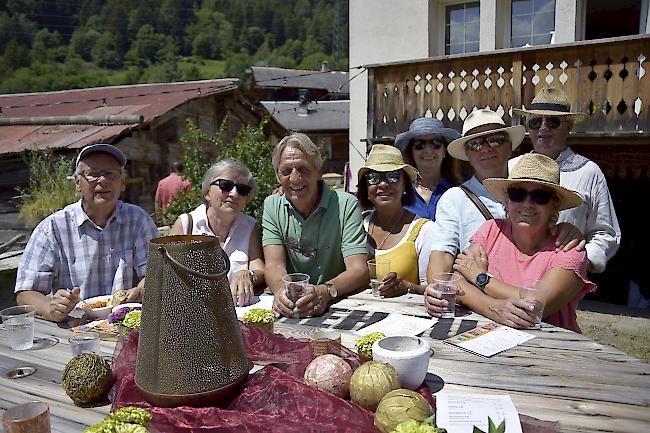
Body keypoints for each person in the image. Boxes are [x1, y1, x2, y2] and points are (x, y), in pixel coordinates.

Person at [424, 108, 583, 318]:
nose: (485, 148)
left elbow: (538, 303)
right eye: (475, 143)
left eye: (495, 140)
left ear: (510, 145)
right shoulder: (460, 204)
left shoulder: (528, 175)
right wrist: (439, 287)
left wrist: (480, 277)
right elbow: (445, 260)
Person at [452, 153, 596, 332]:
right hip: (488, 340)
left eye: (540, 196)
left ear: (554, 204)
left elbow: (536, 306)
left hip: (551, 351)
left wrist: (480, 278)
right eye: (517, 194)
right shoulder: (491, 230)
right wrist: (494, 308)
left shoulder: (570, 250)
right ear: (506, 200)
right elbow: (457, 281)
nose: (527, 204)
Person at [15, 144, 159, 322]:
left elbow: (156, 274)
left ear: (122, 183)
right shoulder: (52, 228)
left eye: (110, 173)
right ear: (77, 183)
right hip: (72, 332)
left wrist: (140, 290)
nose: (102, 180)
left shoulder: (138, 220)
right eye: (93, 174)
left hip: (126, 326)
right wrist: (51, 307)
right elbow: (25, 293)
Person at [511, 87, 621, 273]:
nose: (543, 128)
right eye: (536, 122)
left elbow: (605, 233)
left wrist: (579, 259)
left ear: (569, 127)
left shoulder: (589, 172)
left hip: (564, 281)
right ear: (528, 127)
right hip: (513, 272)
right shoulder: (512, 167)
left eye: (552, 122)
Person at [262, 133, 368, 318]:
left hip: (339, 305)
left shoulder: (346, 205)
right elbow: (273, 265)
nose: (295, 178)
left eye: (303, 169)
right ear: (278, 176)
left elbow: (358, 270)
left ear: (319, 171)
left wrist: (325, 291)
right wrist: (281, 293)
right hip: (295, 308)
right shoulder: (272, 205)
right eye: (286, 171)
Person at [168, 158, 264, 307]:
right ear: (207, 193)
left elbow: (260, 269)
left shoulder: (250, 226)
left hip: (238, 315)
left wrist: (247, 274)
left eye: (242, 189)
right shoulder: (186, 225)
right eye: (226, 185)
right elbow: (165, 274)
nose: (234, 193)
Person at [357, 144, 434, 297]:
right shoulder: (357, 225)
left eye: (393, 176)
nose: (383, 184)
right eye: (374, 178)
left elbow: (433, 287)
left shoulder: (425, 230)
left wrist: (407, 287)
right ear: (366, 187)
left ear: (405, 184)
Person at [394, 118, 461, 220]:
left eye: (436, 143)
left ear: (444, 151)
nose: (428, 150)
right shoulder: (399, 193)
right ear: (411, 152)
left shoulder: (459, 193)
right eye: (419, 145)